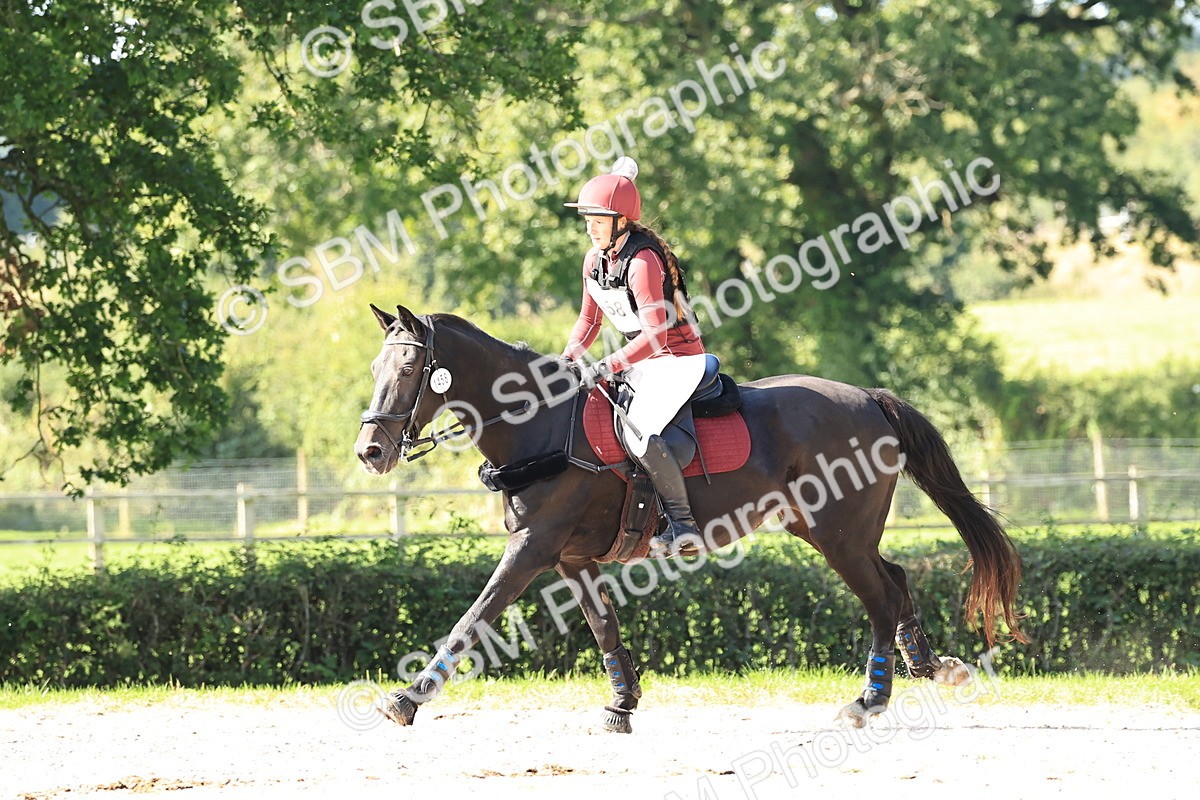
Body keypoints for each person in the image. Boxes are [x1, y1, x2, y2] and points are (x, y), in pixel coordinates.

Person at [561, 157, 708, 556]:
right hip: (640, 359)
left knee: (637, 430)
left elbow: (656, 334)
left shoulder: (643, 261)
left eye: (598, 218)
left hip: (676, 359)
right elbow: (588, 323)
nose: (590, 225)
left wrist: (607, 364)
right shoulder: (594, 261)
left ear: (621, 221)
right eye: (588, 218)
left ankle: (683, 525)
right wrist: (568, 359)